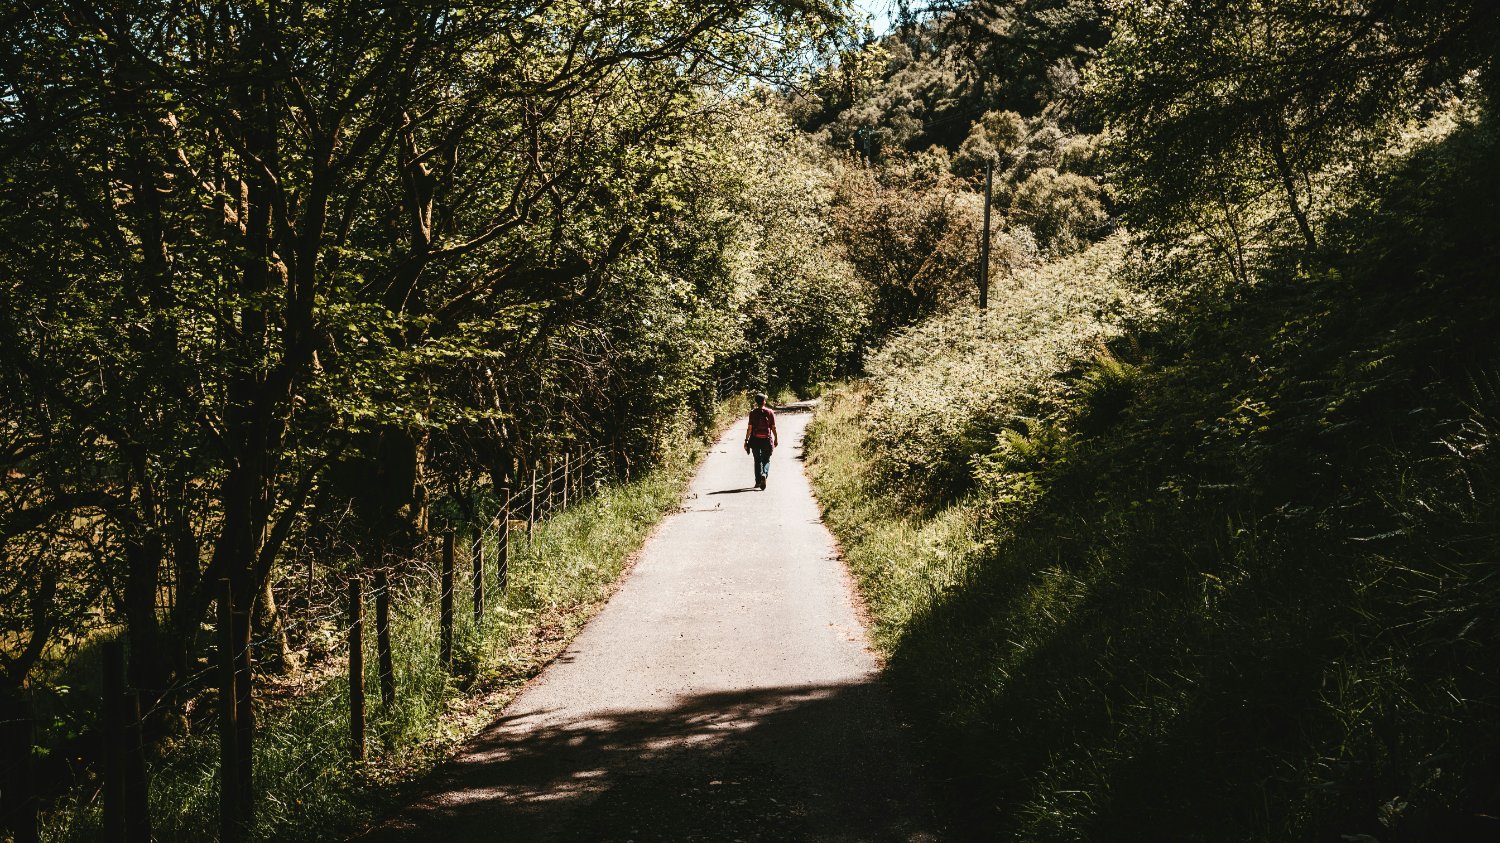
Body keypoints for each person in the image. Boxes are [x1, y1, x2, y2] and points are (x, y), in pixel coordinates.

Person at [743, 392, 778, 490]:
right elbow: (773, 428)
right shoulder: (770, 412)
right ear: (764, 402)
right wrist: (776, 438)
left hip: (755, 440)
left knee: (757, 460)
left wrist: (746, 440)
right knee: (766, 459)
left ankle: (758, 481)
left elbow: (749, 428)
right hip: (766, 440)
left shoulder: (752, 413)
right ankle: (764, 474)